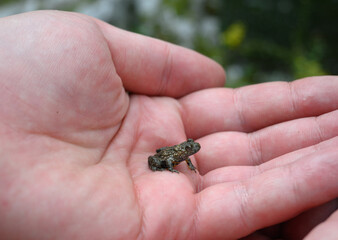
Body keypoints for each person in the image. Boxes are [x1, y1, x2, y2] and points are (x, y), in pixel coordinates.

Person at [0, 10, 337, 240]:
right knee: (160, 160)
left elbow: (185, 157)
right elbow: (163, 158)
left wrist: (187, 165)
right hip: (160, 158)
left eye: (191, 148)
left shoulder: (184, 153)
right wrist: (170, 168)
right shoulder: (173, 153)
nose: (191, 151)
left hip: (166, 156)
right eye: (190, 148)